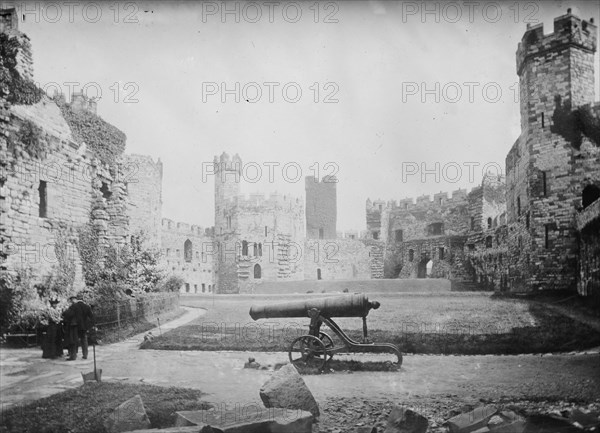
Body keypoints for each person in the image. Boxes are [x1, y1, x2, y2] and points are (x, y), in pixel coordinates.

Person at [62, 293, 94, 360]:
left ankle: (73, 356)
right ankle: (85, 355)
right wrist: (89, 326)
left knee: (73, 340)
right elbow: (92, 317)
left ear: (77, 299)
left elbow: (67, 314)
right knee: (84, 340)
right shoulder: (87, 306)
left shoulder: (74, 306)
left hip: (75, 326)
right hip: (83, 327)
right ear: (82, 299)